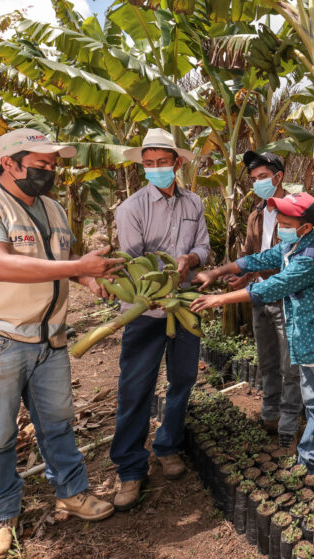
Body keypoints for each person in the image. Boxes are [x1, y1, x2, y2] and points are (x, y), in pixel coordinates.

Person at [0, 128, 120, 559]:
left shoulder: (54, 209)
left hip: (49, 339)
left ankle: (72, 492)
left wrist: (87, 278)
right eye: (41, 163)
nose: (50, 170)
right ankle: (1, 515)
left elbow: (59, 265)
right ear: (9, 163)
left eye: (54, 163)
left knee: (58, 422)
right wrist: (79, 264)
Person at [191, 192, 314, 491]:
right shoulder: (291, 246)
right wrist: (217, 271)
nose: (279, 225)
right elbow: (258, 259)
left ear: (305, 227)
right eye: (279, 219)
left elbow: (271, 287)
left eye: (287, 222)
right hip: (305, 342)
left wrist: (218, 300)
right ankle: (309, 460)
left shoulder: (310, 257)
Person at [109, 128, 211, 511]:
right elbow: (135, 263)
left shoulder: (194, 204)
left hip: (185, 304)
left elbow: (203, 245)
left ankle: (168, 445)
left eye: (162, 163)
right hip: (145, 310)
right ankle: (130, 469)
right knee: (136, 388)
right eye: (148, 165)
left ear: (177, 163)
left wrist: (193, 260)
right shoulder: (131, 208)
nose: (155, 170)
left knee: (183, 379)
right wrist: (165, 277)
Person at [231, 150, 302, 448]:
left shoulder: (297, 210)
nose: (257, 183)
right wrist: (243, 277)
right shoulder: (256, 214)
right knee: (268, 360)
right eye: (254, 179)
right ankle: (270, 413)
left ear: (278, 177)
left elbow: (300, 257)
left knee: (290, 364)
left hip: (286, 297)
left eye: (262, 177)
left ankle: (289, 421)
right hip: (260, 295)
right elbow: (251, 253)